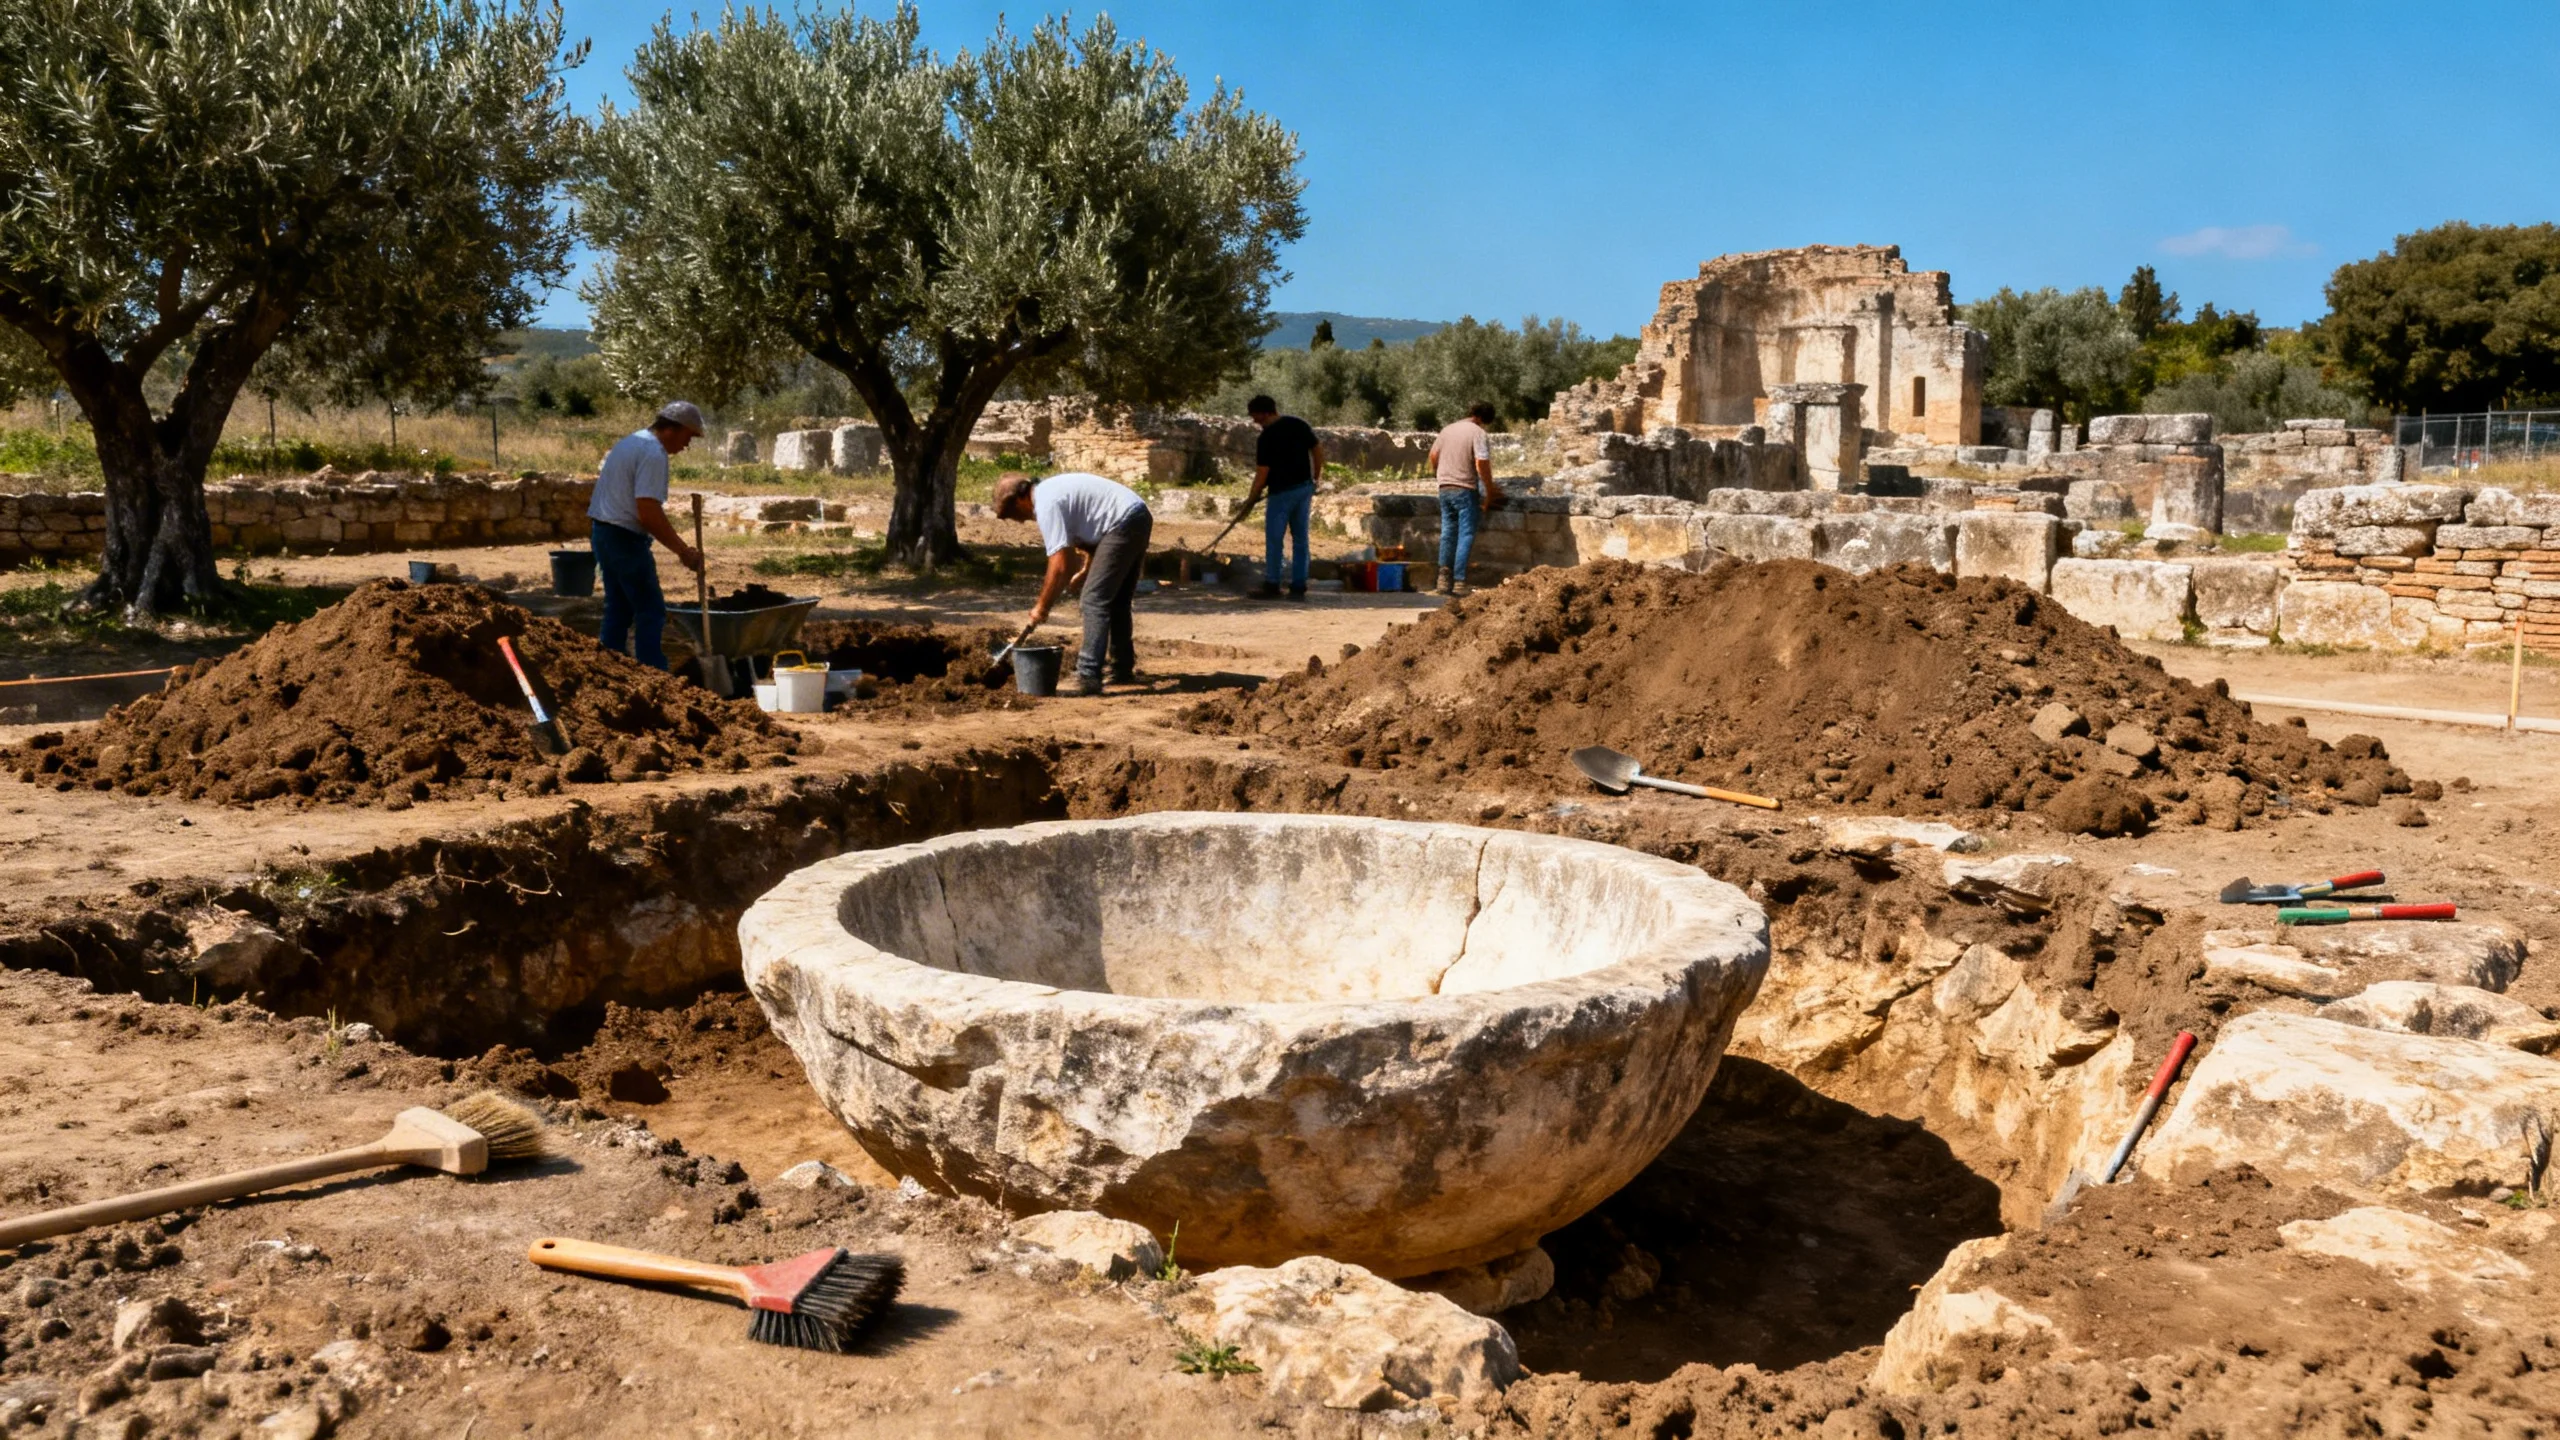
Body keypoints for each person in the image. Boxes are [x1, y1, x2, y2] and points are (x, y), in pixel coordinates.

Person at [994, 471, 1154, 697]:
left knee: (1093, 600)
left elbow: (1060, 566)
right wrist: (1087, 570)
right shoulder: (1053, 492)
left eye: (1013, 514)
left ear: (1020, 498)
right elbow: (1092, 534)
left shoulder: (1047, 504)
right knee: (1117, 599)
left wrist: (1042, 607)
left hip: (1123, 522)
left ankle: (1088, 675)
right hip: (1137, 515)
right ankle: (1121, 667)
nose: (1019, 520)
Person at [588, 400, 707, 669]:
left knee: (618, 607)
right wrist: (683, 551)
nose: (687, 445)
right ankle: (653, 674)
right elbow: (648, 512)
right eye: (688, 437)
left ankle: (608, 669)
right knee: (650, 610)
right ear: (671, 430)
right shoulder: (653, 453)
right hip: (623, 538)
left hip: (604, 532)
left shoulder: (632, 441)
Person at [1245, 395, 1323, 599]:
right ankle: (1298, 586)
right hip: (1304, 489)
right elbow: (1317, 449)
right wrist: (1316, 477)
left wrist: (1252, 498)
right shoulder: (1298, 425)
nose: (1254, 421)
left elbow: (1263, 472)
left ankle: (1272, 584)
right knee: (1300, 539)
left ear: (1264, 413)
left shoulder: (1266, 438)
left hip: (1281, 494)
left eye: (1255, 416)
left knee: (1274, 539)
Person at [1428, 401, 1500, 596]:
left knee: (1448, 532)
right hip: (1465, 488)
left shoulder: (1447, 430)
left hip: (1444, 487)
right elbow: (1481, 463)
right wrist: (1490, 488)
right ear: (1484, 419)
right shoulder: (1478, 433)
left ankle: (1442, 582)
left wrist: (1440, 474)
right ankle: (1460, 582)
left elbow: (1433, 456)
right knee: (1466, 534)